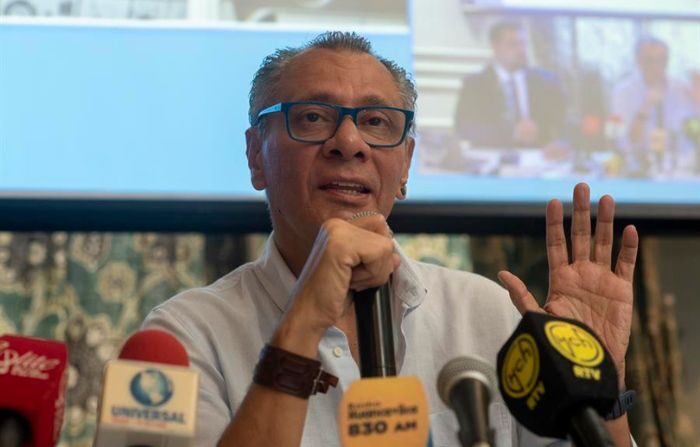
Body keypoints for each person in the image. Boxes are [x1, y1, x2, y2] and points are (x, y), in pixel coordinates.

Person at [142, 32, 638, 446]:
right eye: (313, 116)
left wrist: (598, 392)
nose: (349, 142)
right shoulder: (185, 336)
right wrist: (303, 320)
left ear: (405, 166)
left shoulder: (487, 313)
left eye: (377, 122)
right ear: (255, 156)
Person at [453, 21, 567, 149]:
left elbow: (564, 123)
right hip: (493, 158)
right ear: (495, 47)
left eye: (523, 44)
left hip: (540, 157)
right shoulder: (474, 85)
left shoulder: (547, 81)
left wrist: (562, 142)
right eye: (513, 45)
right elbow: (464, 128)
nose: (521, 50)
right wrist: (512, 133)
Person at [610, 36, 688, 176]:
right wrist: (646, 105)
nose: (657, 66)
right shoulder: (622, 91)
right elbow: (616, 137)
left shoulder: (679, 88)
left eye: (662, 60)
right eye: (650, 60)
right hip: (637, 166)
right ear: (638, 61)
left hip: (677, 166)